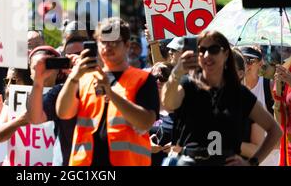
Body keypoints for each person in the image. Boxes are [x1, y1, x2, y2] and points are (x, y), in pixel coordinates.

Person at [162, 30, 282, 166]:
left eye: (213, 50)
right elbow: (168, 103)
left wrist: (252, 163)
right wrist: (176, 73)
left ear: (225, 54)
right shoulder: (188, 85)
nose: (207, 55)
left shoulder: (239, 94)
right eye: (202, 50)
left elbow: (275, 131)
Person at [56, 17, 159, 166]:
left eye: (114, 42)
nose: (108, 47)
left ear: (127, 45)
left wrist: (110, 93)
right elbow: (63, 113)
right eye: (103, 42)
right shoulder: (84, 78)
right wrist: (73, 77)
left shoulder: (143, 79)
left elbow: (146, 122)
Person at [27, 42, 81, 166]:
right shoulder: (59, 92)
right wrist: (39, 81)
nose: (76, 61)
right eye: (69, 57)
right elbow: (35, 117)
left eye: (80, 55)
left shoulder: (107, 87)